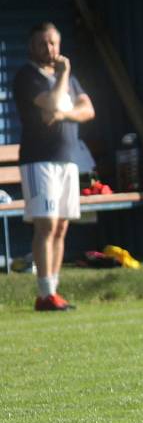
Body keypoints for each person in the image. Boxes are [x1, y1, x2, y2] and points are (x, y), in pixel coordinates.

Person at [12, 22, 95, 311]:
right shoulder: (28, 76)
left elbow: (87, 109)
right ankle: (44, 292)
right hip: (39, 159)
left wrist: (61, 115)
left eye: (53, 43)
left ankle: (54, 291)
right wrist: (63, 78)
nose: (49, 49)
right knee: (45, 224)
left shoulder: (66, 78)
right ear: (31, 46)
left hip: (67, 158)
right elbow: (51, 101)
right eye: (43, 43)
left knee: (61, 226)